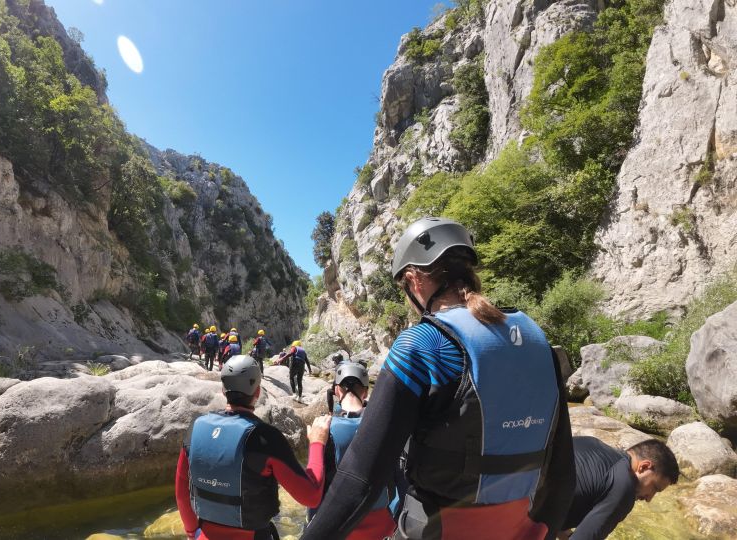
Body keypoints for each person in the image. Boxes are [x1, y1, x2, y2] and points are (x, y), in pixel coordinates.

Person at [303, 217, 575, 540]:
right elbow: (563, 478)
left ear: (414, 280)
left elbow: (360, 478)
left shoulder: (423, 344)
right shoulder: (537, 341)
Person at [175, 355, 332, 540]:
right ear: (257, 392)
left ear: (223, 390)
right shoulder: (265, 437)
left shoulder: (196, 428)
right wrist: (317, 443)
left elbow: (181, 492)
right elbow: (311, 496)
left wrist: (192, 531)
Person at [308, 360, 397, 539]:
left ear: (336, 391)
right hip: (383, 525)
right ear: (365, 392)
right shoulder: (386, 427)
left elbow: (313, 489)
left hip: (337, 525)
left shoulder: (324, 429)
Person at [557, 437, 678, 540]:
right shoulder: (623, 488)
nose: (649, 498)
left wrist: (566, 534)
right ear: (644, 467)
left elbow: (563, 491)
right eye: (655, 488)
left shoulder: (591, 443)